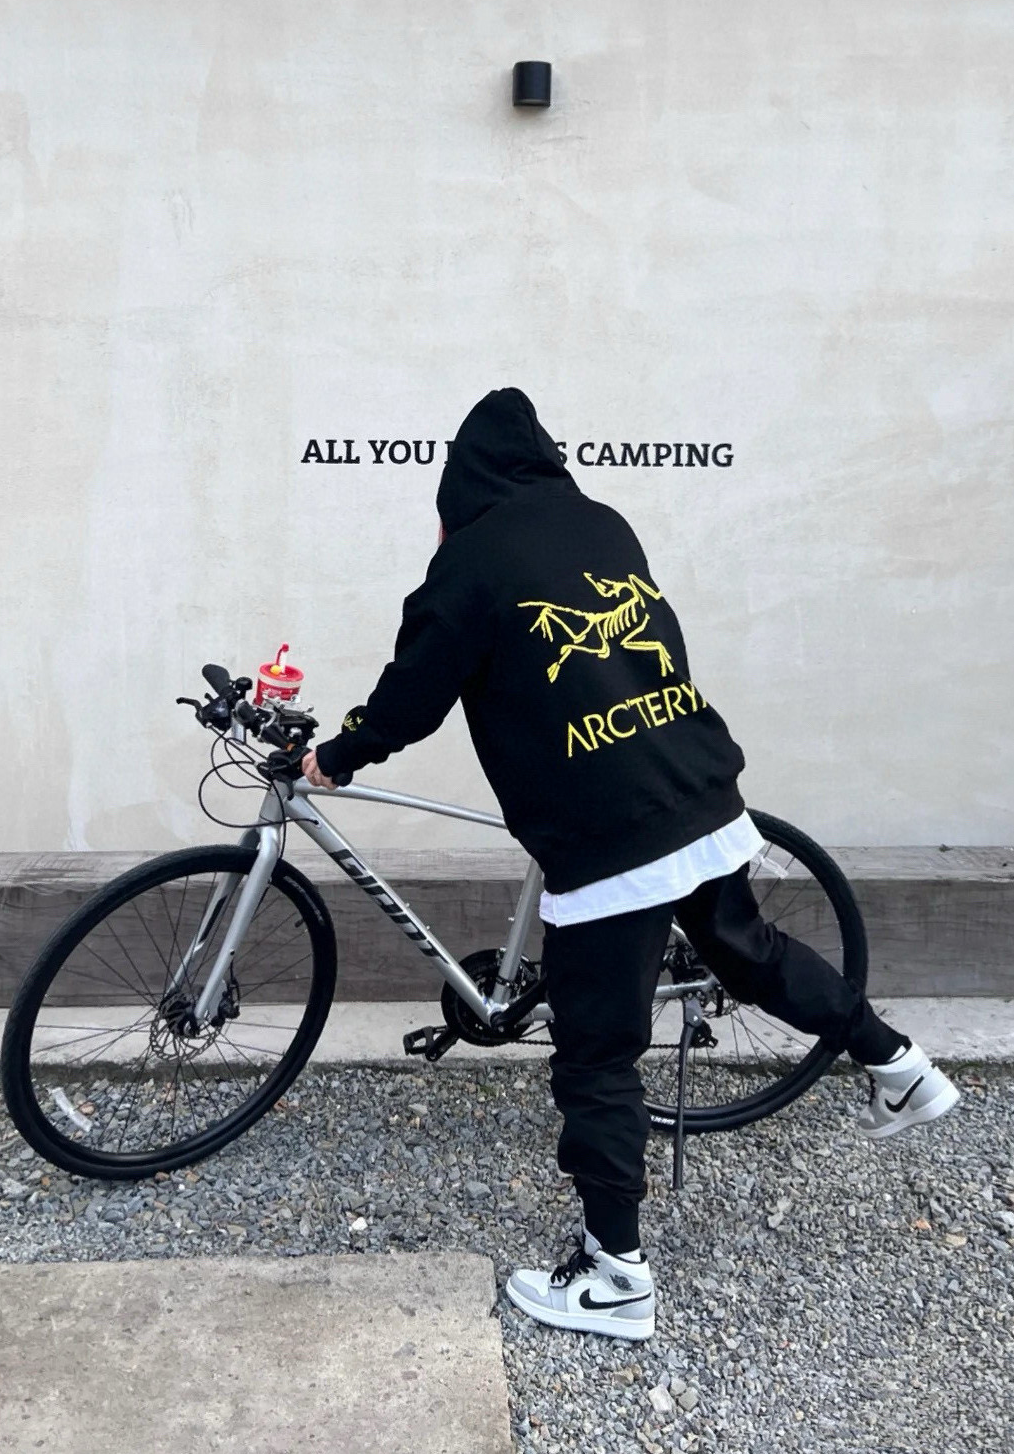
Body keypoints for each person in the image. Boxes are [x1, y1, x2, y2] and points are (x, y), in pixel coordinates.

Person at [301, 388, 959, 1342]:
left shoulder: (469, 561)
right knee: (748, 951)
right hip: (695, 782)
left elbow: (413, 693)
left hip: (607, 831)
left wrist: (340, 753)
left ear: (460, 483)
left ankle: (615, 1279)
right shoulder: (601, 522)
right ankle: (901, 1065)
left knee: (597, 1056)